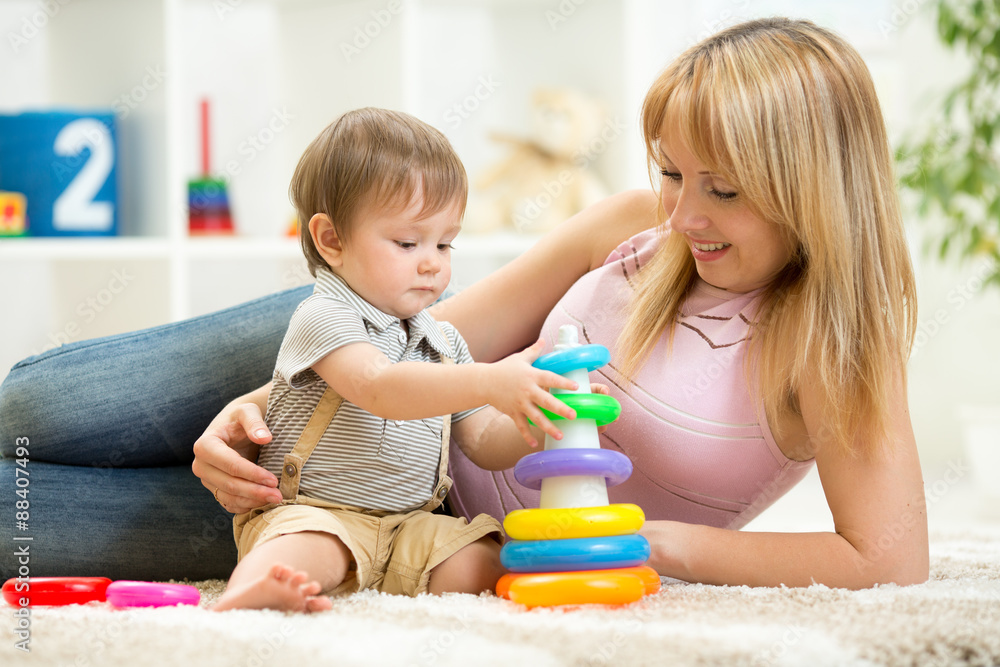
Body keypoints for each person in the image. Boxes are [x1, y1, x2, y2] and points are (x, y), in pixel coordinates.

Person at [0, 17, 927, 589]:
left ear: (812, 186)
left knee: (15, 514)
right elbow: (442, 335)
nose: (684, 214)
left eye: (722, 189)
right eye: (674, 173)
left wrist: (652, 543)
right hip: (359, 358)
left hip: (421, 530)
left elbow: (885, 556)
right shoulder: (637, 225)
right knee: (31, 409)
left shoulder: (832, 348)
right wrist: (256, 401)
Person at [212, 107, 597, 612]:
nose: (433, 261)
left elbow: (481, 441)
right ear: (332, 240)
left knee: (487, 561)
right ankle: (251, 591)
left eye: (445, 242)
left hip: (409, 525)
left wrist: (545, 411)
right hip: (319, 511)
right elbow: (379, 386)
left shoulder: (444, 342)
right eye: (408, 242)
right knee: (306, 549)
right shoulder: (324, 315)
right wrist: (488, 380)